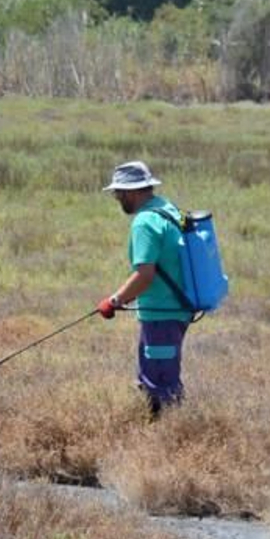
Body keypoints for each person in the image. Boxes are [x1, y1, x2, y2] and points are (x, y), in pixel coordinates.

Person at [96, 160, 192, 416]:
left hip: (162, 313)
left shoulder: (145, 222)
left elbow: (144, 275)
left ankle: (168, 440)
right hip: (177, 308)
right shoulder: (168, 209)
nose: (117, 198)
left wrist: (114, 301)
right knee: (160, 378)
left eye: (118, 193)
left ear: (132, 192)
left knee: (159, 386)